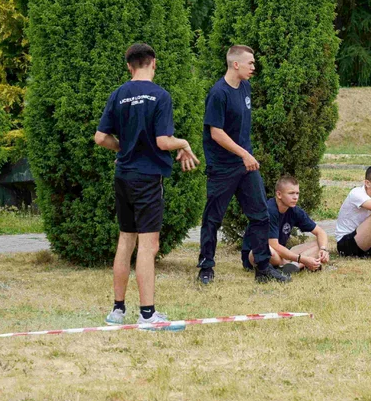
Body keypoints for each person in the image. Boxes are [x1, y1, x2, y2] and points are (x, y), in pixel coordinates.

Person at [94, 43, 199, 330]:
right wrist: (184, 143)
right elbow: (164, 142)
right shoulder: (160, 96)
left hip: (123, 176)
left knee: (125, 240)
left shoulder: (118, 95)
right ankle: (148, 315)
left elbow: (101, 138)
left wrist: (124, 149)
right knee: (148, 245)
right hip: (148, 178)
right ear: (154, 62)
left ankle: (117, 311)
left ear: (129, 66)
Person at [196, 45, 288, 285]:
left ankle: (263, 267)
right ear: (235, 64)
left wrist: (246, 156)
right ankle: (206, 267)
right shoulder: (218, 93)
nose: (254, 67)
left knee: (260, 216)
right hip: (223, 167)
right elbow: (216, 133)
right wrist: (243, 154)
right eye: (250, 63)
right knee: (212, 219)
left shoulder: (246, 87)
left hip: (246, 166)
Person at [241, 176, 332, 273]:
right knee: (267, 250)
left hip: (281, 254)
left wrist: (323, 250)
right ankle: (293, 264)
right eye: (291, 193)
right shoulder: (269, 211)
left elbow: (320, 232)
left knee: (319, 244)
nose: (295, 197)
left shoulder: (295, 211)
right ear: (279, 194)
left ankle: (292, 266)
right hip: (258, 255)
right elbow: (273, 245)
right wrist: (302, 259)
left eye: (297, 193)